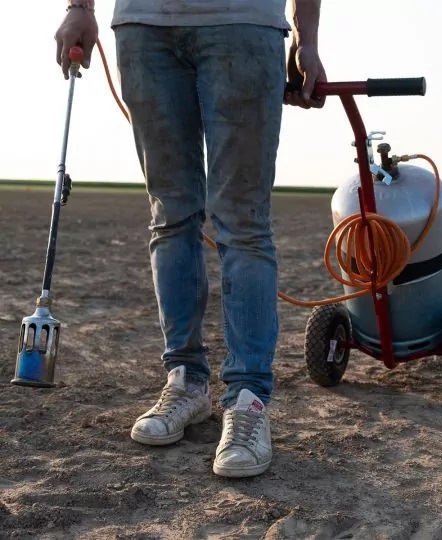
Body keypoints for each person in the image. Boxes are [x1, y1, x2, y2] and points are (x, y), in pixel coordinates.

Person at [54, 0, 326, 478]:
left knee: (243, 221)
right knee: (170, 216)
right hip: (145, 28)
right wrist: (79, 6)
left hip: (244, 24)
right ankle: (185, 381)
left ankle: (248, 401)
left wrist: (307, 37)